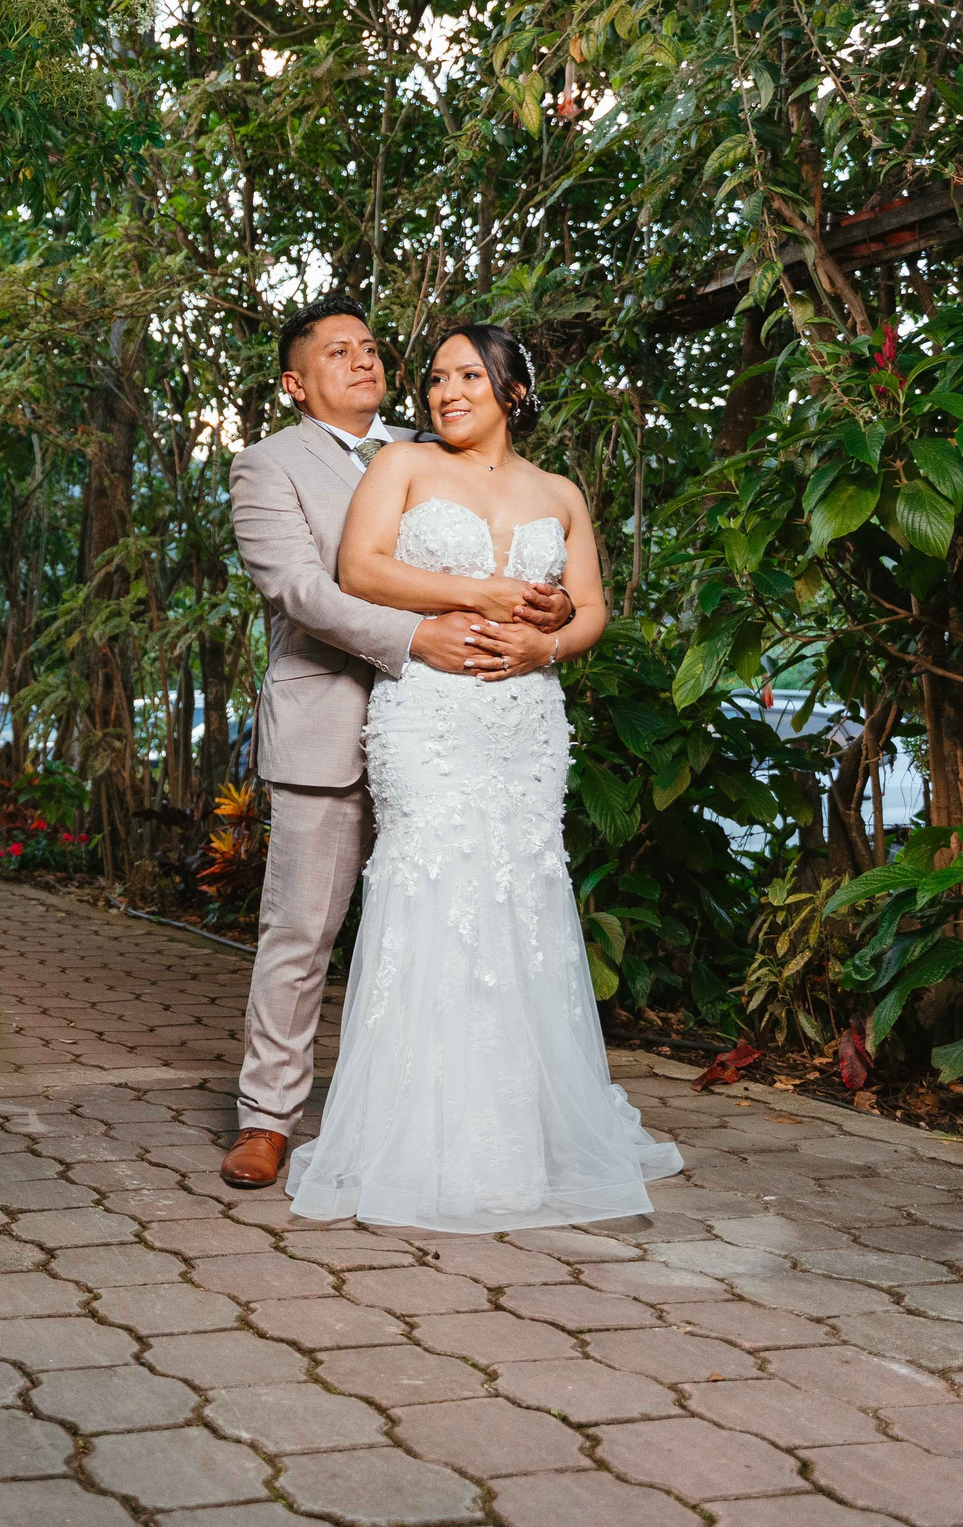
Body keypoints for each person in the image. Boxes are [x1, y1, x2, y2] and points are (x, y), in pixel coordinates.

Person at [279, 322, 683, 1231]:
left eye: (467, 375)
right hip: (429, 713)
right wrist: (483, 596)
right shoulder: (404, 469)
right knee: (433, 886)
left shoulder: (561, 493)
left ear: (513, 387)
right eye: (434, 378)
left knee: (523, 895)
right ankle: (419, 1137)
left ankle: (519, 1136)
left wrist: (549, 636)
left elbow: (592, 609)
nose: (443, 391)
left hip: (526, 721)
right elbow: (359, 568)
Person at [219, 297, 574, 1191]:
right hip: (334, 718)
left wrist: (554, 604)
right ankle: (267, 1118)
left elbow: (524, 543)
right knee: (301, 929)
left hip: (456, 727)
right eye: (337, 352)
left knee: (449, 920)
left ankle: (443, 1116)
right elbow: (301, 590)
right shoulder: (267, 465)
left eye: (372, 347)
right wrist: (412, 638)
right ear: (297, 383)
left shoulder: (436, 446)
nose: (363, 360)